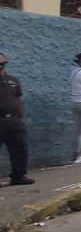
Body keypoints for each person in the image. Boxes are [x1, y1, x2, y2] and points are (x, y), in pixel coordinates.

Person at [0, 53, 33, 185]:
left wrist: (20, 116)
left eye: (2, 64)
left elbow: (18, 99)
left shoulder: (13, 80)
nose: (1, 67)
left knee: (20, 148)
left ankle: (18, 176)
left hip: (14, 120)